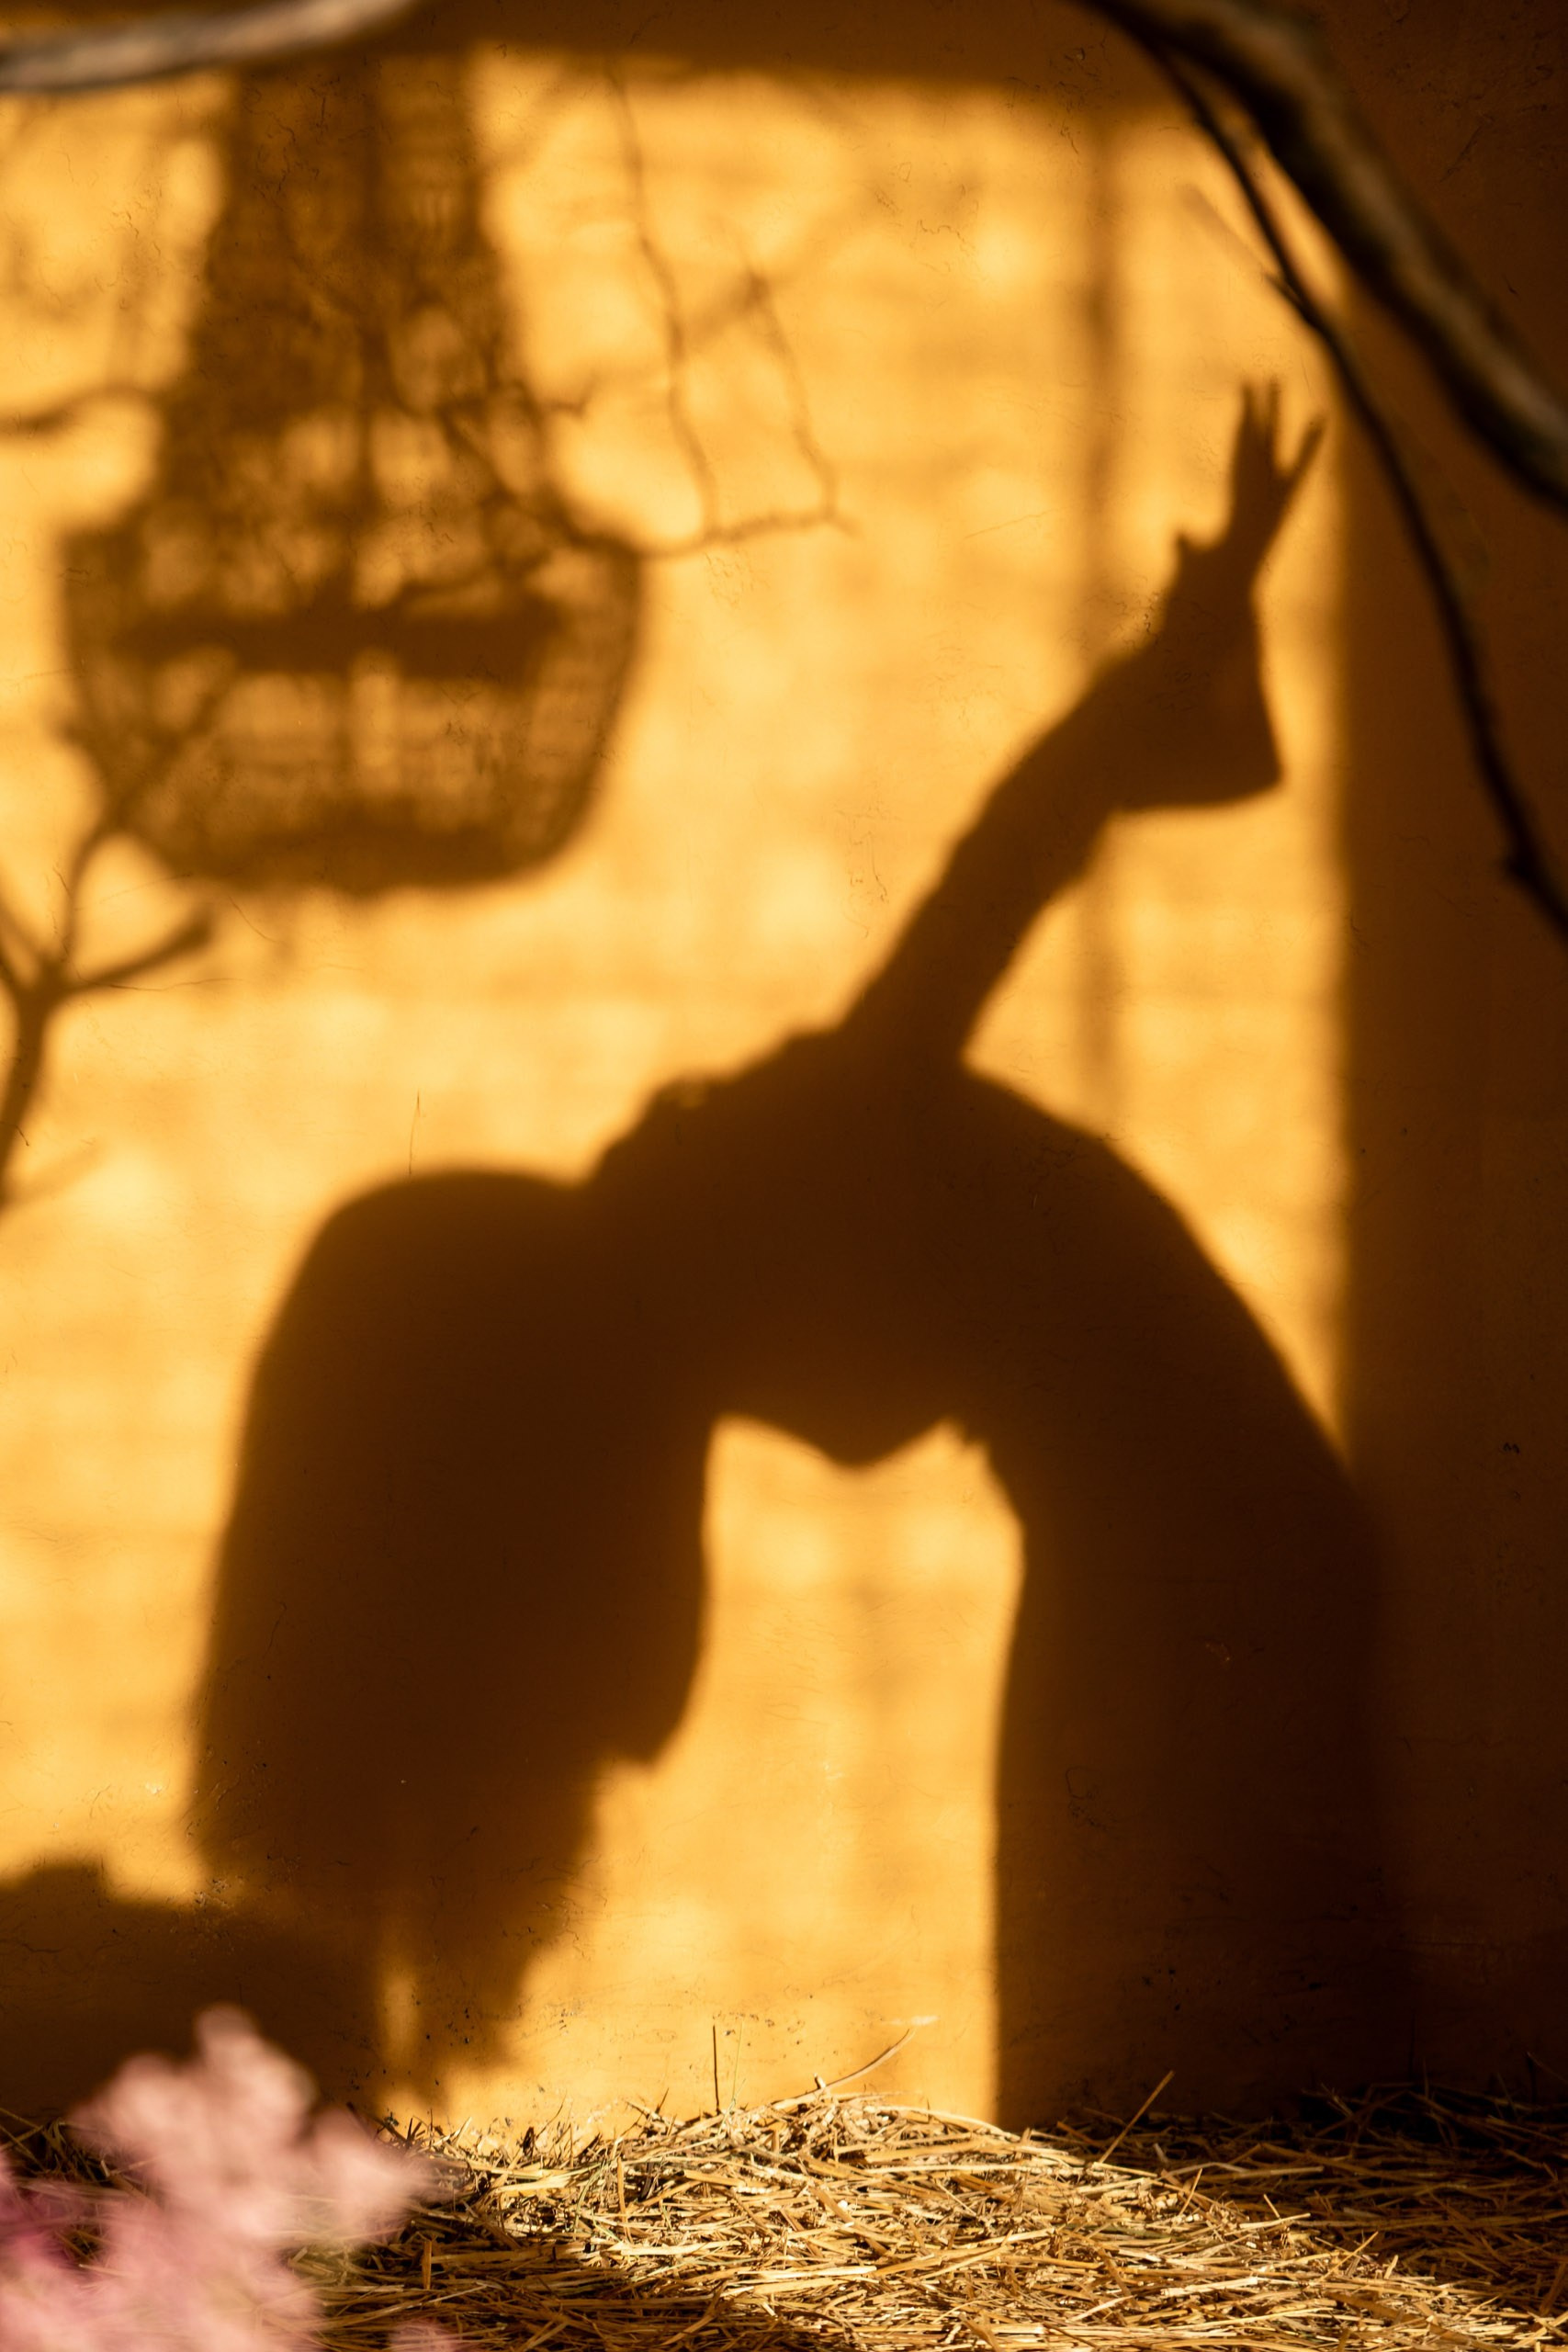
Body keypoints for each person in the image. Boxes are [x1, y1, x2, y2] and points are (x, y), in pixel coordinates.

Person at [196, 389, 1404, 2113]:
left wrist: (1181, 647)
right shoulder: (665, 1321)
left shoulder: (765, 1178)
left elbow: (991, 884)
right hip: (1164, 1539)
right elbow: (641, 1671)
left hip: (1205, 1543)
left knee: (1159, 2033)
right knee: (1132, 2020)